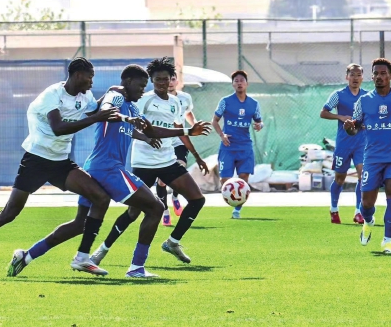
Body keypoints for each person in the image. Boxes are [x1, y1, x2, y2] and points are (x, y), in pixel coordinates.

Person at [0, 58, 119, 279]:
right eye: (90, 77)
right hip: (36, 161)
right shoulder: (52, 95)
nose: (91, 82)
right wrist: (96, 117)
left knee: (101, 197)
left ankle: (82, 257)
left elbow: (95, 109)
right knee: (9, 214)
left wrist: (112, 93)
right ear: (78, 75)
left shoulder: (84, 97)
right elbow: (58, 128)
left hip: (61, 162)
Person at [90, 58, 210, 268]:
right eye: (157, 80)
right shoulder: (143, 100)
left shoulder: (175, 103)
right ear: (152, 81)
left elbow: (177, 131)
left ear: (171, 79)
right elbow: (132, 127)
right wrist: (146, 138)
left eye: (165, 79)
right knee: (133, 213)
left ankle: (172, 242)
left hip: (167, 160)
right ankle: (102, 250)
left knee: (197, 200)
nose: (162, 83)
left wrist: (196, 155)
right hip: (144, 162)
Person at [344, 58, 391, 254]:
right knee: (366, 203)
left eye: (383, 73)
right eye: (376, 74)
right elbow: (355, 128)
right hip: (372, 158)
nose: (379, 76)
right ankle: (368, 221)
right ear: (372, 77)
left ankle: (387, 242)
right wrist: (349, 128)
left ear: (390, 76)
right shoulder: (363, 101)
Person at [211, 70, 263, 219]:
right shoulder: (225, 101)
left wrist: (260, 125)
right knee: (225, 180)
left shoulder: (254, 104)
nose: (239, 83)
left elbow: (259, 122)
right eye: (236, 81)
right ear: (233, 84)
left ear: (247, 83)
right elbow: (214, 121)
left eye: (242, 80)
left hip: (245, 146)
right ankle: (232, 201)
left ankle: (237, 210)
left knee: (243, 178)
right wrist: (222, 135)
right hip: (228, 146)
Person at [320, 63, 367, 224]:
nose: (355, 78)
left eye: (358, 75)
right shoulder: (338, 95)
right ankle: (334, 209)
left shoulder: (367, 96)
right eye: (352, 75)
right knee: (340, 179)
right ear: (347, 77)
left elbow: (372, 115)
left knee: (363, 176)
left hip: (361, 143)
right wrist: (340, 117)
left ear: (362, 78)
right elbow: (323, 112)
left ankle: (359, 212)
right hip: (343, 143)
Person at [153, 71, 202, 223]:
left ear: (177, 81)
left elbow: (188, 113)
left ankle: (175, 196)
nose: (170, 82)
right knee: (161, 181)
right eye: (167, 79)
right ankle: (165, 210)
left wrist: (194, 125)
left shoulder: (184, 98)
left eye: (173, 79)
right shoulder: (156, 100)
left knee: (179, 169)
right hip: (163, 142)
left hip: (179, 141)